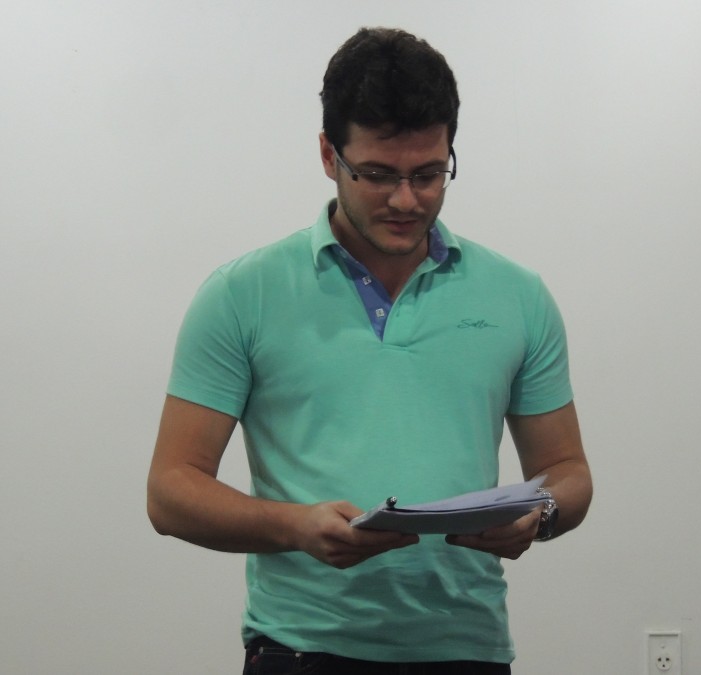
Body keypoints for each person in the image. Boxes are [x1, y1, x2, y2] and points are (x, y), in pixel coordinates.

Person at [147, 27, 592, 675]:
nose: (406, 200)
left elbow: (567, 471)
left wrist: (540, 515)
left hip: (467, 647)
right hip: (302, 648)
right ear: (329, 155)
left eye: (429, 174)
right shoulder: (242, 294)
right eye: (378, 175)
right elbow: (170, 491)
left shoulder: (518, 296)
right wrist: (295, 526)